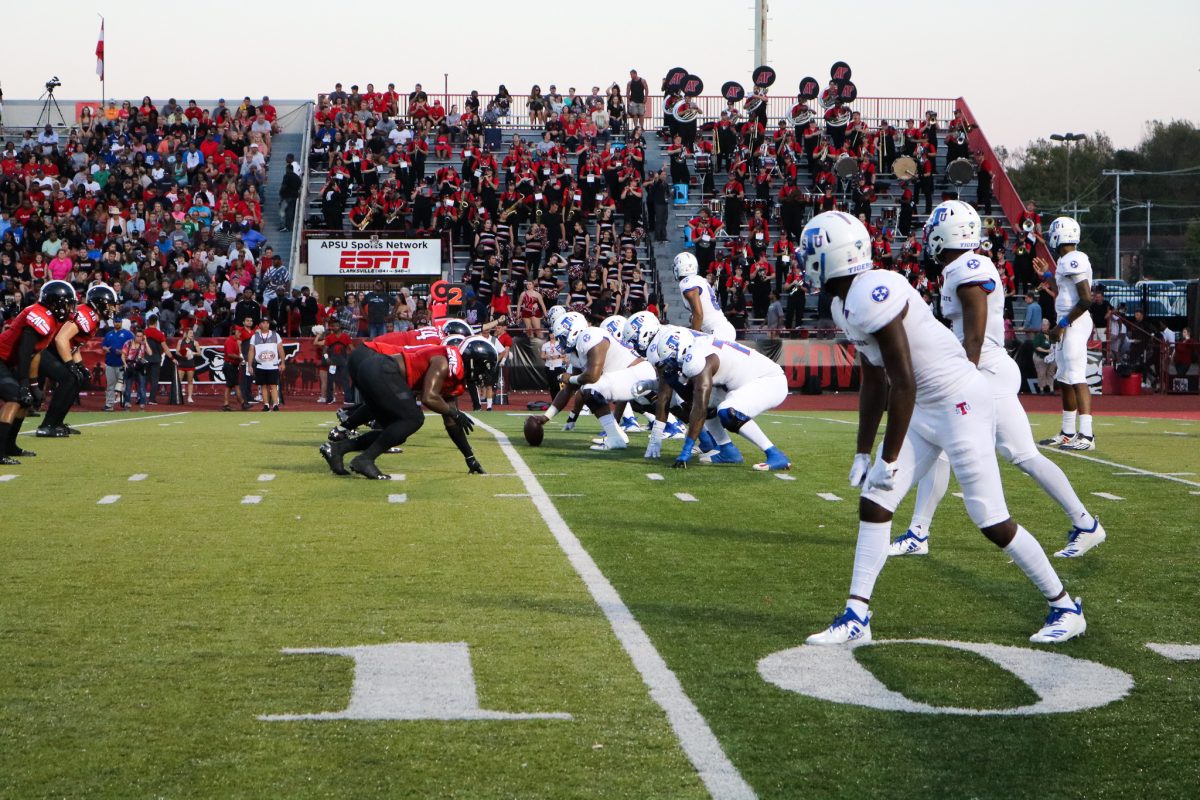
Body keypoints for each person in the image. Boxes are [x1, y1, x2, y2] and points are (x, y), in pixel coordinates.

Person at [799, 210, 1086, 645]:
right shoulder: (844, 302)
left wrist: (889, 457)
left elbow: (905, 382)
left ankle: (1065, 605)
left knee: (990, 519)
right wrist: (863, 451)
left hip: (959, 402)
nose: (804, 256)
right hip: (926, 406)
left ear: (829, 255)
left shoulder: (876, 292)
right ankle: (857, 616)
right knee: (876, 502)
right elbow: (874, 379)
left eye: (811, 248)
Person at [888, 201, 1106, 560]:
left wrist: (963, 376)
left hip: (984, 372)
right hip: (978, 369)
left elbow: (974, 334)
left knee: (1022, 455)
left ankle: (1086, 524)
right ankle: (918, 532)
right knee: (940, 446)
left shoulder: (968, 268)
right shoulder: (959, 267)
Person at [319, 337, 498, 479]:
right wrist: (455, 413)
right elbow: (429, 397)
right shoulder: (444, 362)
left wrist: (470, 458)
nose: (485, 374)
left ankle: (338, 449)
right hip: (380, 369)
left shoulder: (454, 376)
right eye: (485, 368)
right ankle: (365, 459)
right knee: (414, 419)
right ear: (474, 362)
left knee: (397, 432)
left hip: (377, 372)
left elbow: (451, 421)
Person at [527, 311, 656, 451]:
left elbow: (592, 376)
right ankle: (616, 435)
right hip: (627, 377)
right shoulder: (575, 352)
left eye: (562, 337)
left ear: (573, 332)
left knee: (590, 389)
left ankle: (615, 437)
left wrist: (569, 378)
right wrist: (546, 417)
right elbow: (569, 388)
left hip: (639, 374)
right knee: (589, 389)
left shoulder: (591, 336)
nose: (561, 342)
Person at [1038, 217, 1097, 450]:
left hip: (1073, 323)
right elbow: (1064, 290)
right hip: (1067, 322)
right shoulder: (1066, 260)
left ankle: (1087, 435)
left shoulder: (1075, 259)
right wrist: (1047, 276)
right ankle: (1068, 431)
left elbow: (1086, 299)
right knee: (1063, 377)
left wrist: (1061, 324)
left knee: (1076, 376)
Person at [0, 280, 75, 462]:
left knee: (26, 402)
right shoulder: (39, 314)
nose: (69, 308)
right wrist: (24, 383)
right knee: (15, 397)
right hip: (2, 360)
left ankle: (10, 446)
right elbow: (24, 351)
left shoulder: (51, 319)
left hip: (8, 362)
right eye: (66, 303)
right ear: (55, 302)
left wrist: (33, 385)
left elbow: (35, 354)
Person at [37, 284, 117, 436]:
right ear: (99, 303)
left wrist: (80, 366)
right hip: (44, 348)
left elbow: (73, 345)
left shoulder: (92, 317)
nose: (112, 309)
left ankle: (57, 423)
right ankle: (47, 425)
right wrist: (70, 365)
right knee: (69, 378)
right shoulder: (87, 315)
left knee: (77, 378)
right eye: (110, 305)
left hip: (53, 349)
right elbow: (61, 339)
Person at [673, 252, 736, 341]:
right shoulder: (699, 279)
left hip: (717, 333)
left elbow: (699, 315)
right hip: (721, 329)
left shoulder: (687, 283)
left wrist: (692, 339)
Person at [250, 318, 285, 411]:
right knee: (263, 385)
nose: (265, 325)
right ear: (259, 325)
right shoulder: (255, 337)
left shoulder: (275, 335)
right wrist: (249, 365)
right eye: (263, 323)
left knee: (273, 385)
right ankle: (266, 404)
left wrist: (282, 362)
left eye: (267, 323)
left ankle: (275, 404)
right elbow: (251, 351)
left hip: (272, 364)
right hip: (260, 365)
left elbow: (280, 349)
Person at [102, 319, 133, 411]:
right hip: (110, 362)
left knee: (122, 385)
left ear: (121, 323)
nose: (117, 323)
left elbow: (132, 347)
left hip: (122, 363)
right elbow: (103, 345)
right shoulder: (108, 334)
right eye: (116, 322)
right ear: (114, 323)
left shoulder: (127, 334)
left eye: (119, 322)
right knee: (110, 385)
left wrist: (123, 352)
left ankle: (125, 404)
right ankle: (109, 404)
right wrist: (105, 348)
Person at [121, 328, 152, 409]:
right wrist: (125, 364)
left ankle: (142, 403)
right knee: (128, 385)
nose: (139, 338)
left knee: (142, 385)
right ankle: (127, 402)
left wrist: (146, 342)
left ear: (143, 337)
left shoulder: (143, 344)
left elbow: (150, 353)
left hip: (140, 366)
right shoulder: (128, 343)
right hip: (130, 365)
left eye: (141, 336)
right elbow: (123, 354)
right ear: (135, 336)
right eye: (137, 336)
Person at [176, 328, 200, 404]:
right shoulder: (180, 341)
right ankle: (178, 396)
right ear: (186, 334)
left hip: (190, 364)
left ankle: (189, 397)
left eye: (192, 333)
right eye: (190, 333)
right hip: (182, 363)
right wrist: (183, 354)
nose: (192, 334)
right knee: (179, 381)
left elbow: (199, 353)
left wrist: (191, 353)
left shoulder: (195, 342)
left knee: (190, 381)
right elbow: (177, 352)